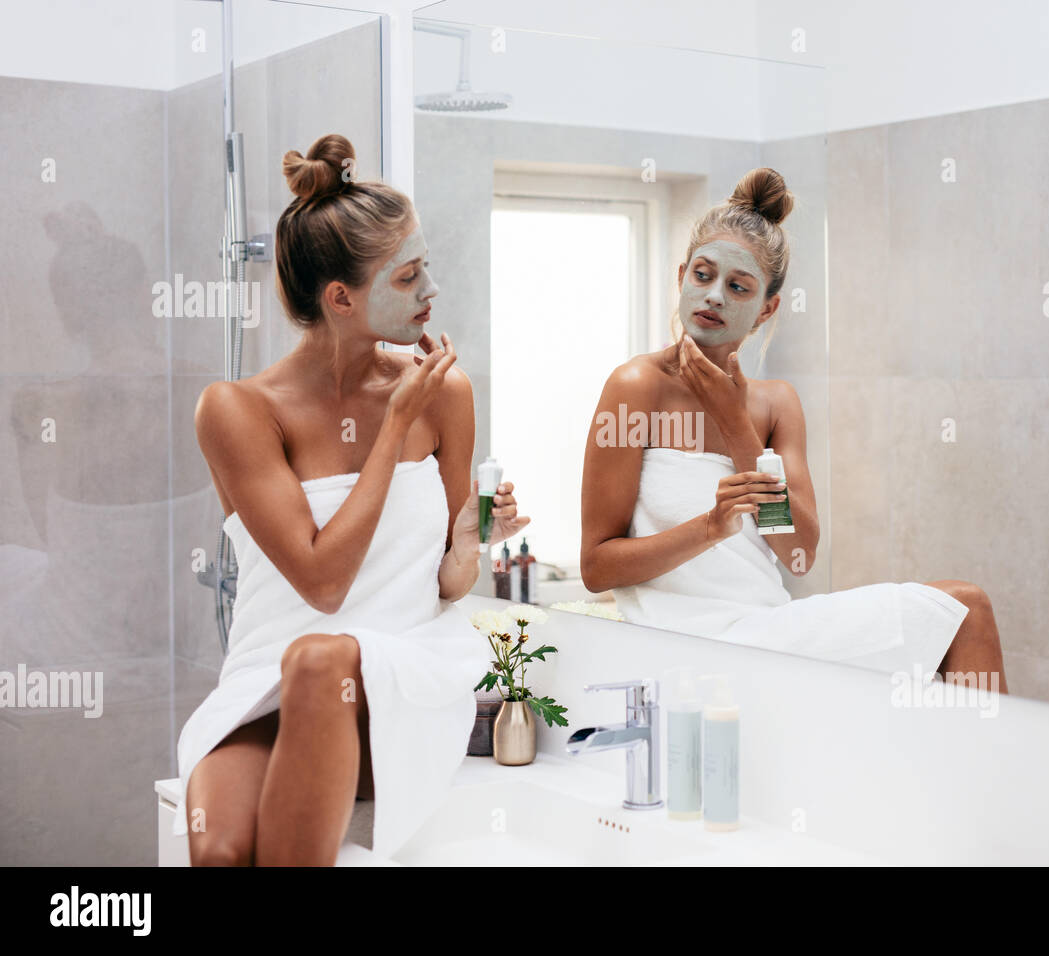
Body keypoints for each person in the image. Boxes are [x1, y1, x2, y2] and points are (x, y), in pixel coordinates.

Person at [175, 133, 527, 865]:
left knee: (319, 661)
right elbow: (322, 581)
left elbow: (446, 584)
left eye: (424, 267)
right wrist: (395, 424)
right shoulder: (237, 410)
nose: (431, 292)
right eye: (407, 278)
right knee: (218, 851)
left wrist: (468, 545)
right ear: (341, 297)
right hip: (268, 674)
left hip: (400, 671)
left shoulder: (445, 394)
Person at [580, 167, 1007, 692]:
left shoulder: (775, 404)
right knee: (963, 608)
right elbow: (597, 568)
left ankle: (985, 773)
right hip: (685, 641)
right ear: (680, 277)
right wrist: (710, 528)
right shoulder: (634, 386)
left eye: (738, 286)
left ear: (766, 310)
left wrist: (736, 425)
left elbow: (798, 554)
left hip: (766, 630)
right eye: (702, 275)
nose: (714, 296)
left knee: (966, 610)